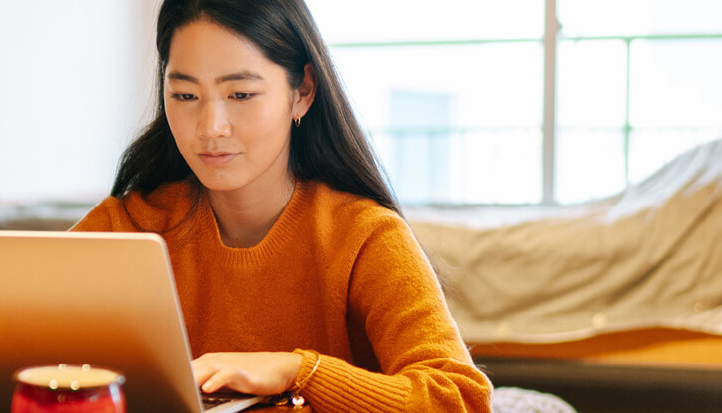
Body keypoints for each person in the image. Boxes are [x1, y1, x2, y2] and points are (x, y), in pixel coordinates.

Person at [69, 0, 493, 411]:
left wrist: (298, 371)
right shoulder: (124, 226)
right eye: (184, 95)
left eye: (240, 94)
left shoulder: (362, 234)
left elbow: (460, 399)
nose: (210, 128)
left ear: (302, 92)